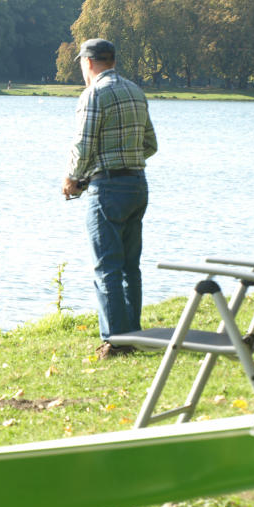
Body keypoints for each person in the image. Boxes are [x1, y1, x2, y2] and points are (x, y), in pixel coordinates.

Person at [62, 38, 158, 359]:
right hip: (137, 184)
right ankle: (133, 332)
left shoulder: (93, 94)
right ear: (112, 60)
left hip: (107, 189)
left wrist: (73, 179)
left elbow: (83, 145)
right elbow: (150, 144)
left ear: (88, 62)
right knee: (131, 265)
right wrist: (124, 158)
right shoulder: (135, 91)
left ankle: (116, 342)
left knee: (106, 266)